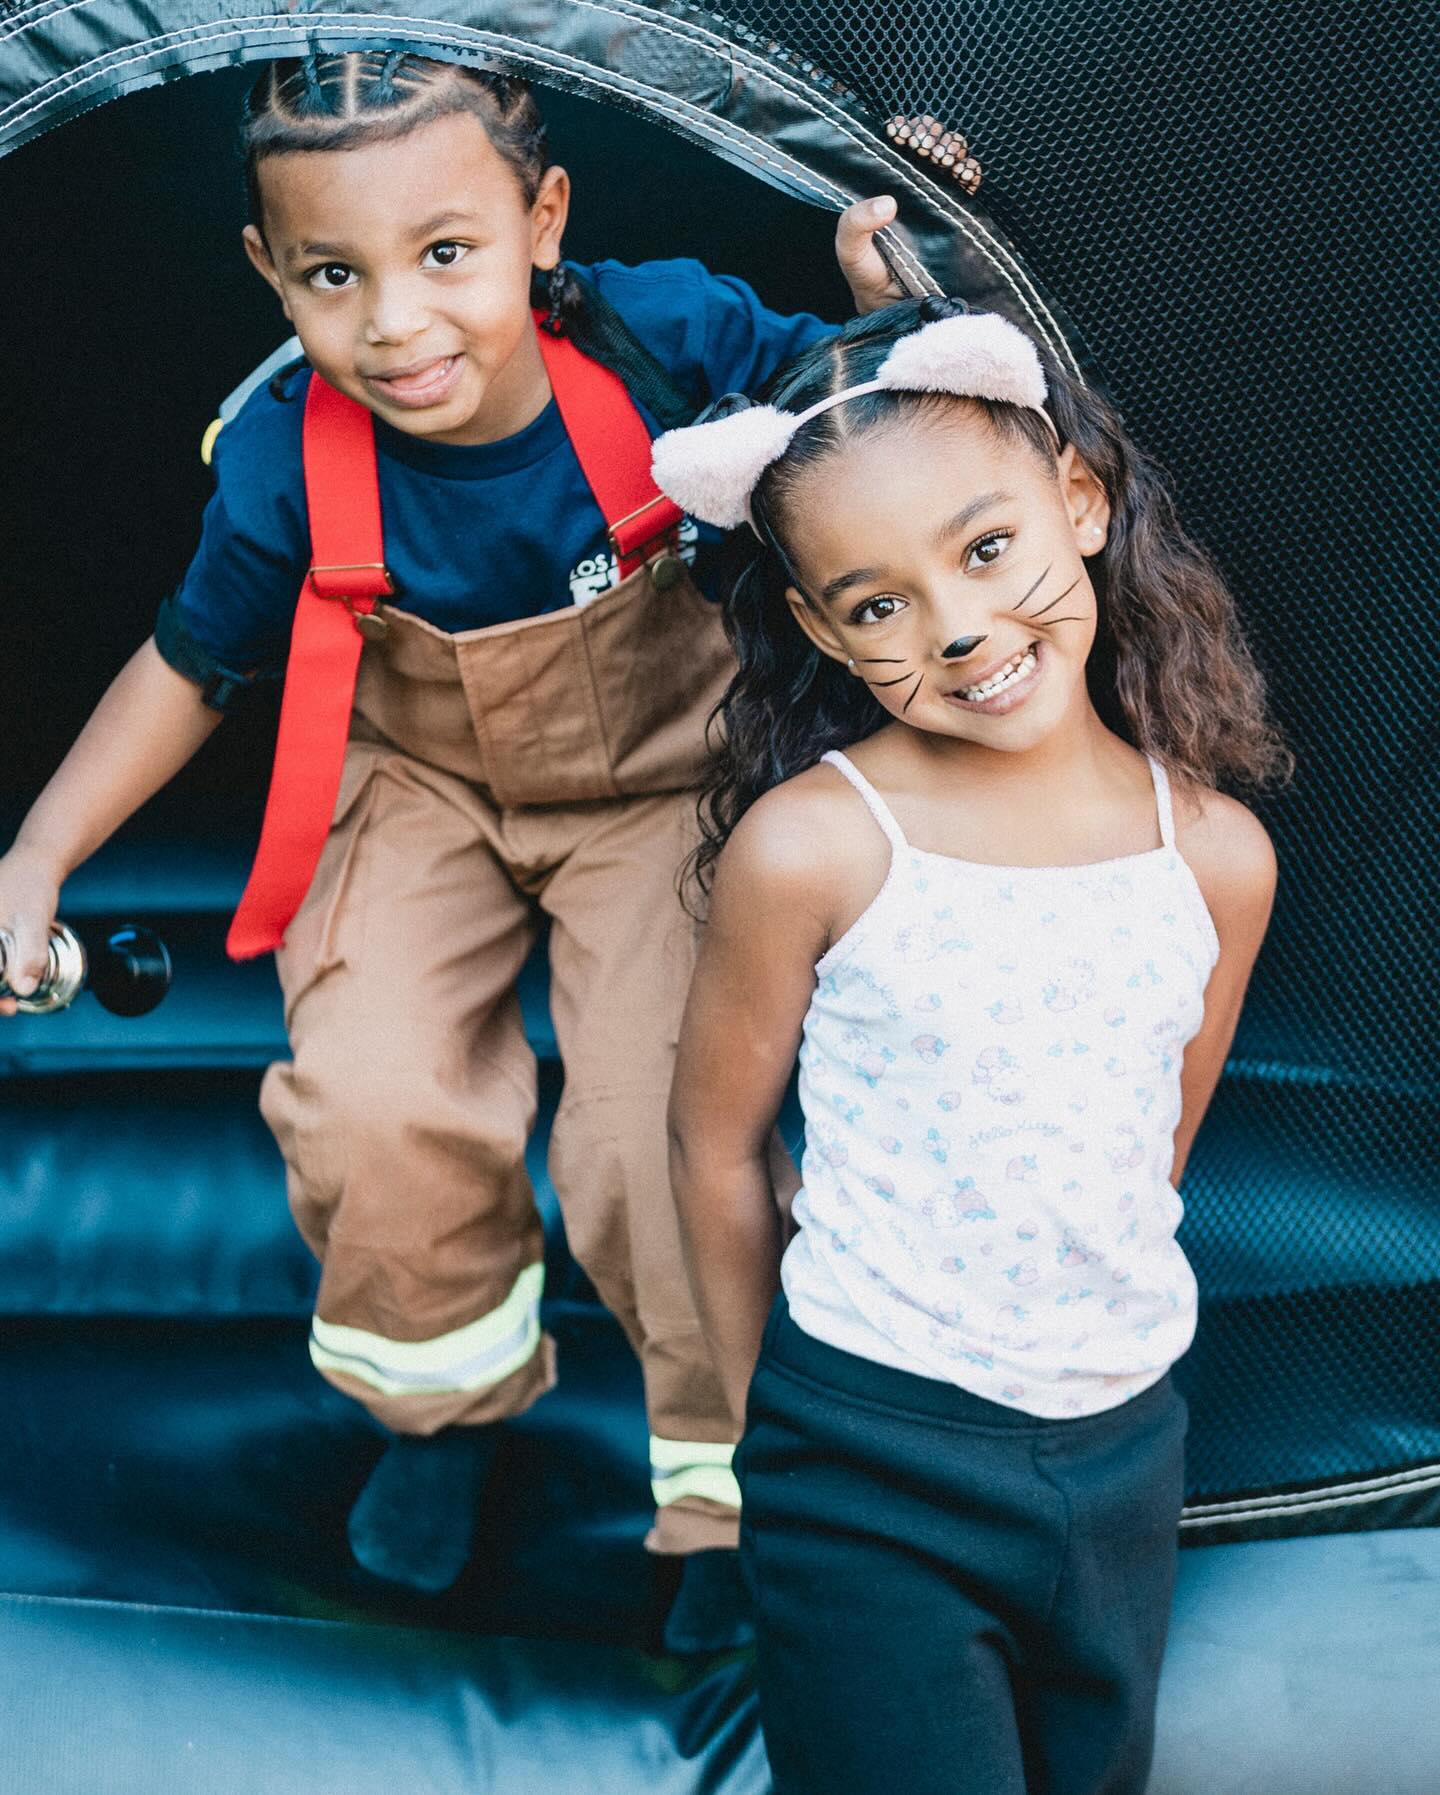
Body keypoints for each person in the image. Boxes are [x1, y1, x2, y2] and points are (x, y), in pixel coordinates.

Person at [0, 50, 902, 1643]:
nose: (396, 324)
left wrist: (884, 310)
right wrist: (36, 854)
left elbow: (863, 415)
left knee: (657, 1137)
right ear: (268, 271)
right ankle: (441, 1414)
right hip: (421, 779)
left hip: (665, 786)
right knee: (372, 1105)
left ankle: (724, 1485)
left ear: (543, 222)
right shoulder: (285, 452)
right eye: (332, 276)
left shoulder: (663, 338)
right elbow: (190, 666)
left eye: (444, 254)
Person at [656, 298, 1288, 1785]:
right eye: (877, 605)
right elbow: (712, 1144)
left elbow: (1156, 1151)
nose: (953, 626)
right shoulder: (814, 848)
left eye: (987, 548)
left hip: (1123, 1449)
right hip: (864, 1457)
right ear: (820, 627)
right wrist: (766, 1432)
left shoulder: (1216, 857)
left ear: (1081, 501)